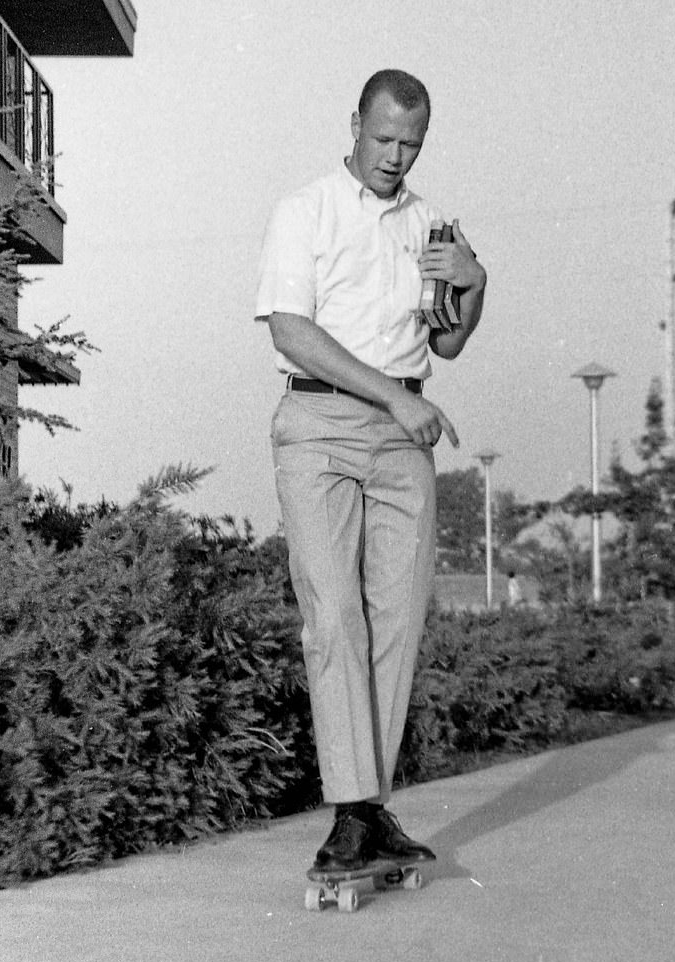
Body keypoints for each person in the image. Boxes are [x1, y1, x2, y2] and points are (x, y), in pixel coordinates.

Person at [255, 69, 487, 872]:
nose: (396, 156)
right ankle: (350, 812)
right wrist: (393, 396)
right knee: (334, 619)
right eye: (384, 139)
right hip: (319, 421)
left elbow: (446, 340)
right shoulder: (306, 210)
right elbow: (291, 331)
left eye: (412, 144)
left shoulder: (430, 225)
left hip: (404, 433)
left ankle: (367, 809)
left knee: (397, 622)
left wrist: (475, 283)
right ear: (355, 123)